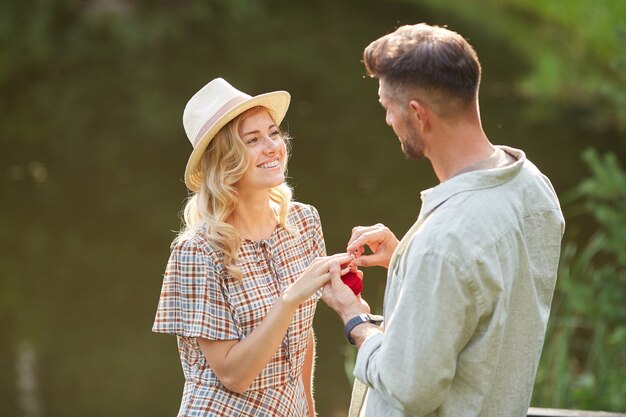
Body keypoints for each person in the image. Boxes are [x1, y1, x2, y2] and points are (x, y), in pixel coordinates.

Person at [321, 23, 566, 417]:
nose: (387, 120)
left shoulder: (444, 243)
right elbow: (483, 298)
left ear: (417, 114)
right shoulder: (534, 188)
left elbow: (409, 388)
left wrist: (355, 321)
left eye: (388, 107)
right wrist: (407, 260)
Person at [152, 78, 352, 417]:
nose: (272, 146)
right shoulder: (197, 252)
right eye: (253, 140)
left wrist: (308, 410)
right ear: (224, 159)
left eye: (273, 133)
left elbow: (302, 338)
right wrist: (290, 298)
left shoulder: (303, 222)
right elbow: (234, 375)